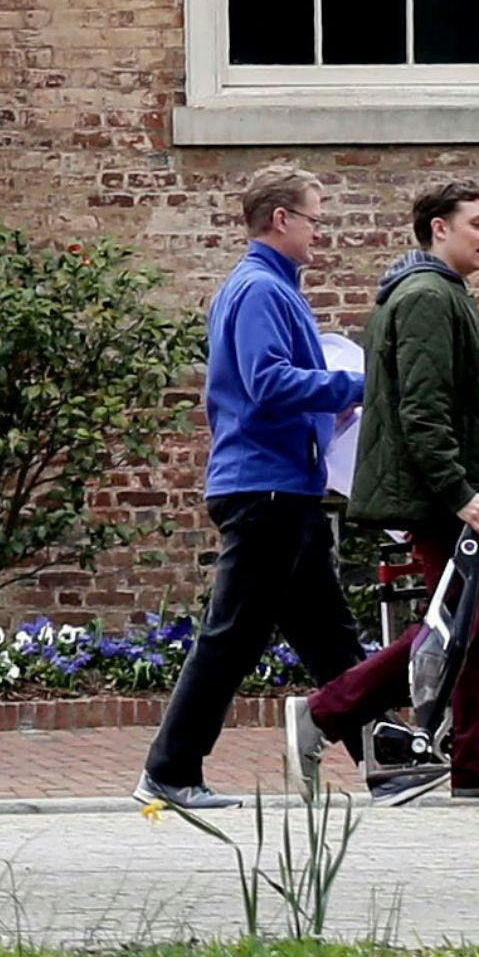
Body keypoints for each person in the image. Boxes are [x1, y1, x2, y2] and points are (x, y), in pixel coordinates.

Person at [137, 166, 367, 812]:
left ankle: (386, 760)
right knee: (234, 634)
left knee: (330, 640)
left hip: (283, 486)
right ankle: (169, 772)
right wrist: (356, 388)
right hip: (266, 487)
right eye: (316, 220)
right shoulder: (262, 290)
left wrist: (332, 409)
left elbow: (271, 385)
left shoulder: (271, 288)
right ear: (282, 219)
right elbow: (268, 382)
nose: (321, 234)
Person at [289, 178, 479, 805]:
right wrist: (458, 492)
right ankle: (327, 712)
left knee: (467, 630)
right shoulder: (424, 298)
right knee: (470, 630)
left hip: (447, 493)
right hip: (438, 498)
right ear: (439, 229)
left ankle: (475, 765)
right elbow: (422, 411)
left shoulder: (440, 293)